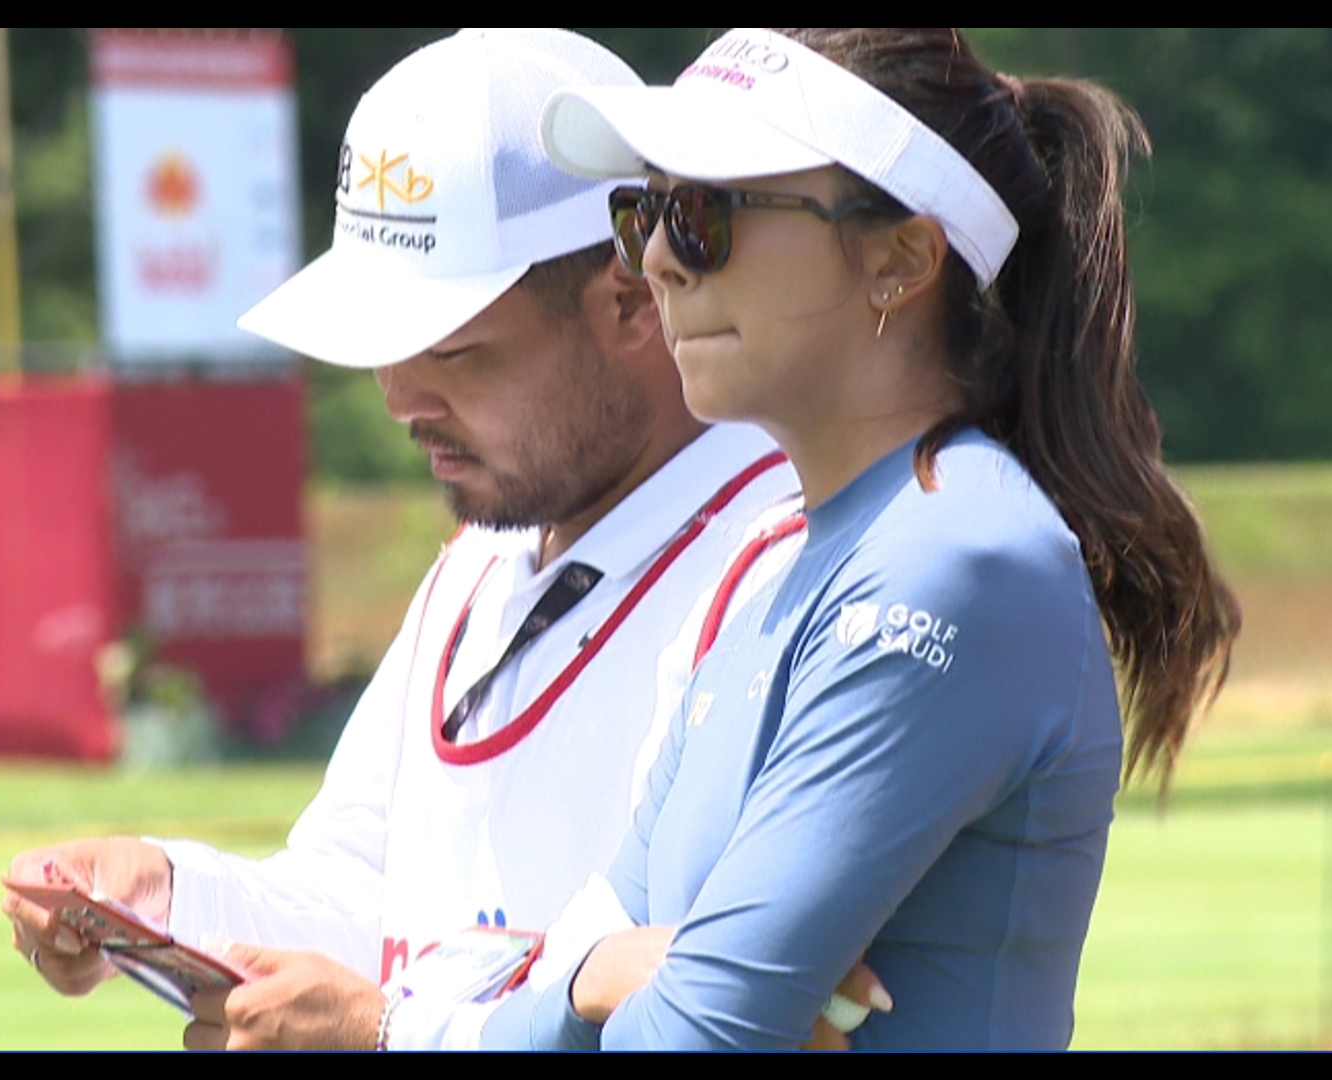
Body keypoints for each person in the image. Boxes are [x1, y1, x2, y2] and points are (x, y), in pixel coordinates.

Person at [3, 29, 838, 1051]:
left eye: (454, 350)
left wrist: (385, 1032)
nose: (398, 398)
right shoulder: (487, 556)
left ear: (632, 301)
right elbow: (365, 899)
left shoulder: (787, 571)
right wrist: (171, 897)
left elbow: (724, 1007)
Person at [478, 27, 1241, 1050]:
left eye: (706, 213)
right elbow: (563, 1002)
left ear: (901, 258)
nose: (656, 260)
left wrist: (598, 987)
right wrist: (592, 981)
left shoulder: (954, 562)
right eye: (643, 212)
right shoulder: (794, 574)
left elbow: (692, 1037)